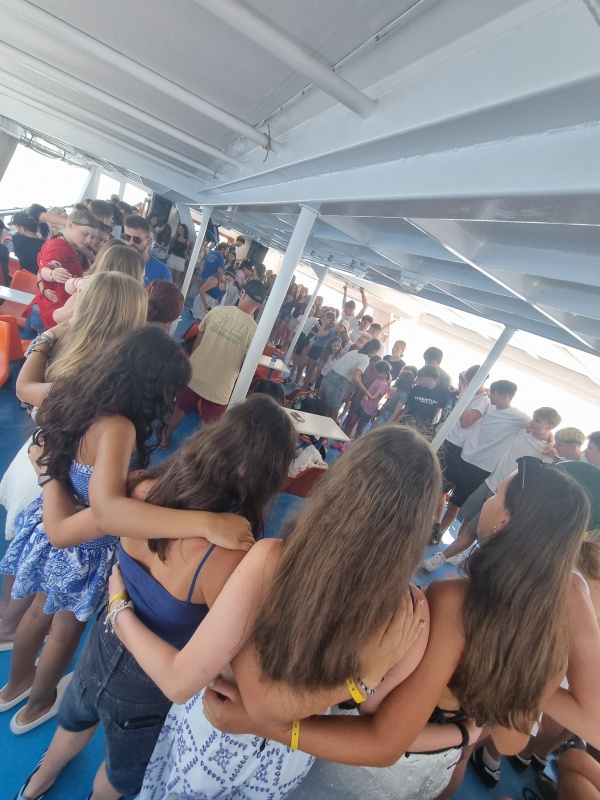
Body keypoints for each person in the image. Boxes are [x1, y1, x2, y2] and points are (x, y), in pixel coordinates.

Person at [204, 462, 593, 800]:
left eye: (497, 494)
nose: (488, 499)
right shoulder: (553, 620)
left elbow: (385, 736)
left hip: (373, 765)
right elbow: (510, 742)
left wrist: (266, 726)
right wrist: (475, 724)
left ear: (505, 520)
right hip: (438, 765)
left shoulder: (452, 601)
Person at [103, 425, 441, 800]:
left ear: (340, 485)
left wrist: (119, 610)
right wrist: (362, 680)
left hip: (218, 732)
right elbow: (374, 711)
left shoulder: (271, 562)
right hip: (290, 753)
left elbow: (253, 701)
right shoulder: (411, 615)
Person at [15, 395, 296, 800]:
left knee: (75, 719)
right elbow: (230, 653)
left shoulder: (143, 487)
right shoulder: (228, 555)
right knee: (121, 772)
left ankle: (36, 784)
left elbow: (75, 525)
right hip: (150, 679)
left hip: (102, 641)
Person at [0, 327, 252, 736]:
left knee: (34, 611)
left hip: (50, 522)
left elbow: (26, 389)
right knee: (63, 630)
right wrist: (207, 522)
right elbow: (108, 512)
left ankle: (13, 687)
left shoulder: (72, 392)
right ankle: (38, 704)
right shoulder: (118, 427)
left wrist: (45, 341)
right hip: (84, 543)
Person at [423, 407, 561, 572]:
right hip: (489, 482)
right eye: (533, 418)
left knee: (474, 530)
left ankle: (442, 558)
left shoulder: (549, 454)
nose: (532, 422)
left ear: (549, 426)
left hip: (503, 494)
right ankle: (456, 552)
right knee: (467, 519)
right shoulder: (522, 432)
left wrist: (551, 444)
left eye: (537, 421)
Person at [163, 279, 267, 441]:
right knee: (209, 429)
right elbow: (247, 366)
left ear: (243, 293)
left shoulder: (217, 311)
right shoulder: (255, 332)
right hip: (221, 388)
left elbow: (197, 342)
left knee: (178, 409)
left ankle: (164, 439)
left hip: (194, 375)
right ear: (259, 305)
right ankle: (197, 456)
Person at [24, 206, 99, 333]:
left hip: (47, 308)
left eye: (92, 237)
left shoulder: (64, 243)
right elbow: (45, 270)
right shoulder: (58, 248)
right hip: (50, 311)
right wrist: (52, 274)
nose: (88, 240)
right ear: (70, 225)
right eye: (85, 234)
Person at [51, 240, 145, 324]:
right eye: (142, 276)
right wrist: (78, 283)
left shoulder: (94, 287)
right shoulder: (93, 289)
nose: (143, 281)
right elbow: (59, 316)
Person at [318, 339, 382, 419]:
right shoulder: (365, 359)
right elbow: (355, 378)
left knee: (321, 408)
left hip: (329, 376)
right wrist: (366, 392)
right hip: (338, 382)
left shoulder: (354, 352)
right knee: (332, 414)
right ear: (375, 351)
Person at [387, 366, 445, 437]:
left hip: (424, 429)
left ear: (431, 378)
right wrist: (396, 422)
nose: (419, 381)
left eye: (422, 379)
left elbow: (442, 412)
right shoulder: (416, 389)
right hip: (407, 424)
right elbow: (406, 408)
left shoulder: (442, 393)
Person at [122, 214, 172, 286]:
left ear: (148, 241)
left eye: (137, 239)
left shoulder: (162, 271)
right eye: (127, 237)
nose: (131, 242)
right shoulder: (117, 262)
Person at [354, 360, 391, 438]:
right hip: (363, 403)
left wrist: (368, 396)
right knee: (354, 422)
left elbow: (375, 397)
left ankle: (356, 441)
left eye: (377, 372)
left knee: (359, 429)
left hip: (369, 409)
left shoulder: (384, 385)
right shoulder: (378, 379)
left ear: (383, 372)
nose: (375, 373)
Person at [167, 223, 190, 290]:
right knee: (169, 275)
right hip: (172, 257)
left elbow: (188, 252)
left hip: (180, 259)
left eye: (182, 228)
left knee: (176, 277)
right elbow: (171, 247)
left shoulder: (187, 241)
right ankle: (167, 288)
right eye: (179, 228)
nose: (180, 230)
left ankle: (172, 290)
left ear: (185, 230)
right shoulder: (175, 237)